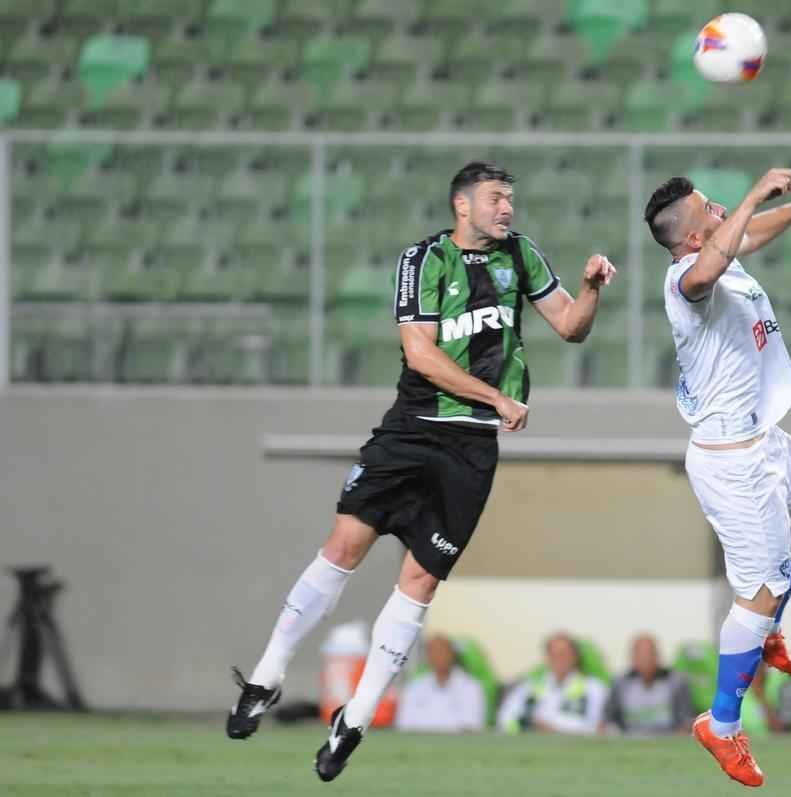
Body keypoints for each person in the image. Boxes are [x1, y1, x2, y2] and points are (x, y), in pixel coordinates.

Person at [226, 162, 618, 782]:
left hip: (472, 450)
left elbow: (570, 326)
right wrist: (495, 397)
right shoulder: (424, 260)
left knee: (420, 585)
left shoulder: (522, 255)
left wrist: (594, 287)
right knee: (344, 546)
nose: (507, 208)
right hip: (413, 428)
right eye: (496, 198)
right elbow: (420, 353)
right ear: (464, 205)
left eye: (510, 198)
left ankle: (354, 719)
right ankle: (267, 675)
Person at [644, 171, 791, 786]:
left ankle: (767, 629)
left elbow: (742, 240)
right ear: (689, 237)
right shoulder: (684, 279)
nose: (718, 208)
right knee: (755, 597)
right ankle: (721, 723)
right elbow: (707, 268)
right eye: (706, 209)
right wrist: (749, 197)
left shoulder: (723, 252)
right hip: (731, 459)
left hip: (763, 439)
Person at [497, 632, 609, 736]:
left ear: (575, 657)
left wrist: (554, 728)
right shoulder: (530, 686)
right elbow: (505, 720)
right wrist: (528, 724)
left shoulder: (594, 688)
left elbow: (596, 728)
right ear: (546, 658)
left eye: (563, 654)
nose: (559, 659)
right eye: (553, 654)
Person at [395, 634, 486, 733]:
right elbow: (404, 724)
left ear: (452, 654)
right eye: (433, 652)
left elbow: (472, 725)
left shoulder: (470, 687)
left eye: (442, 651)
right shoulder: (414, 687)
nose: (438, 656)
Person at [606, 634, 693, 736]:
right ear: (632, 658)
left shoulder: (677, 682)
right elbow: (610, 719)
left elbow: (685, 720)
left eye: (649, 654)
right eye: (640, 654)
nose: (645, 659)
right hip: (629, 739)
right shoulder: (620, 683)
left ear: (657, 656)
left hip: (667, 740)